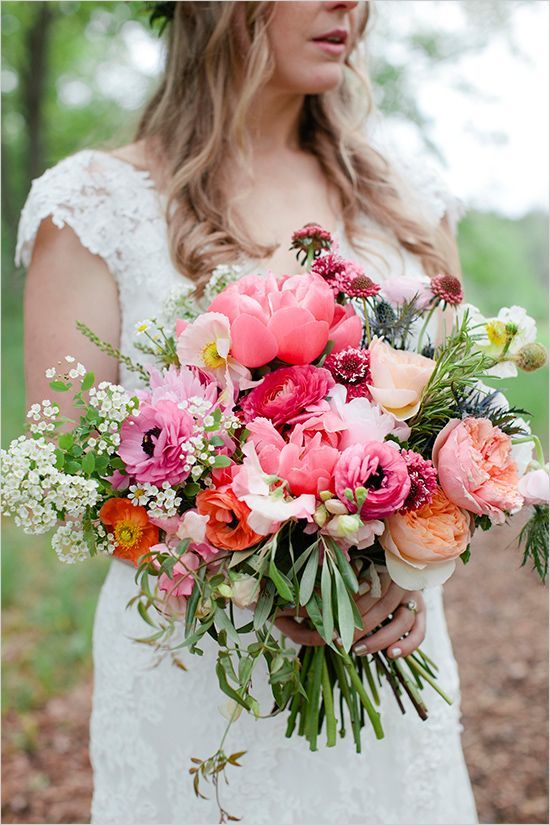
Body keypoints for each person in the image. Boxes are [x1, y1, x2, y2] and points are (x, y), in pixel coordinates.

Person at [17, 2, 479, 823]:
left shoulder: (409, 205)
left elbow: (460, 442)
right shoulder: (93, 207)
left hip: (384, 672)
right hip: (195, 689)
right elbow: (71, 479)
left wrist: (410, 570)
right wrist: (256, 578)